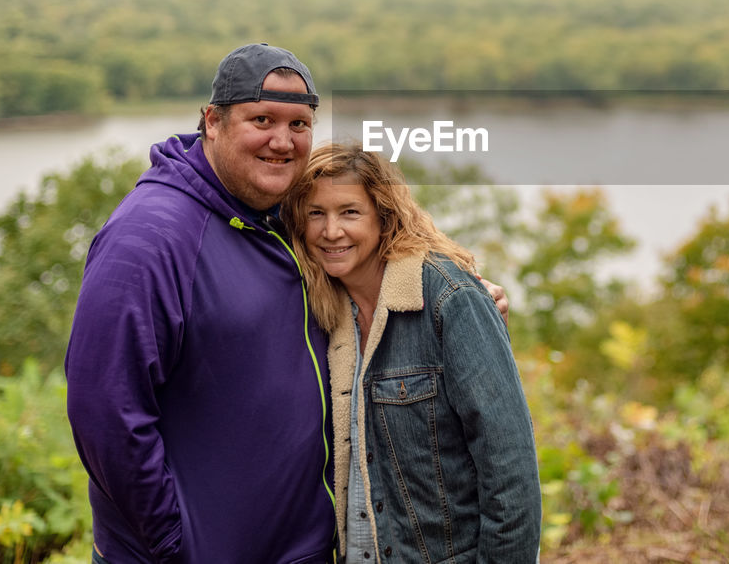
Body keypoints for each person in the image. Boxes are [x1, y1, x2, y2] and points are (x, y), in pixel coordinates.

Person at [64, 43, 508, 564]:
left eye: (299, 124)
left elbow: (377, 249)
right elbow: (105, 412)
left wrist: (460, 295)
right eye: (262, 119)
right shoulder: (150, 237)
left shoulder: (284, 217)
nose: (282, 141)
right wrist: (170, 543)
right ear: (213, 121)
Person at [282, 143, 542, 564]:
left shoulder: (449, 299)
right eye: (316, 213)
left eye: (350, 212)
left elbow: (510, 474)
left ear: (384, 216)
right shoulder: (320, 314)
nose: (331, 231)